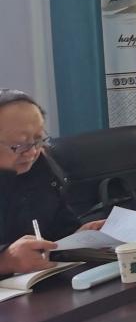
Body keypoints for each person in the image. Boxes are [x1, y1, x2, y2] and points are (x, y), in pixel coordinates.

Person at [0, 90, 104, 275]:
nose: (32, 152)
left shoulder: (40, 168)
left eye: (38, 140)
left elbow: (57, 226)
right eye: (19, 145)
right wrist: (5, 261)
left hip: (44, 282)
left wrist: (78, 236)